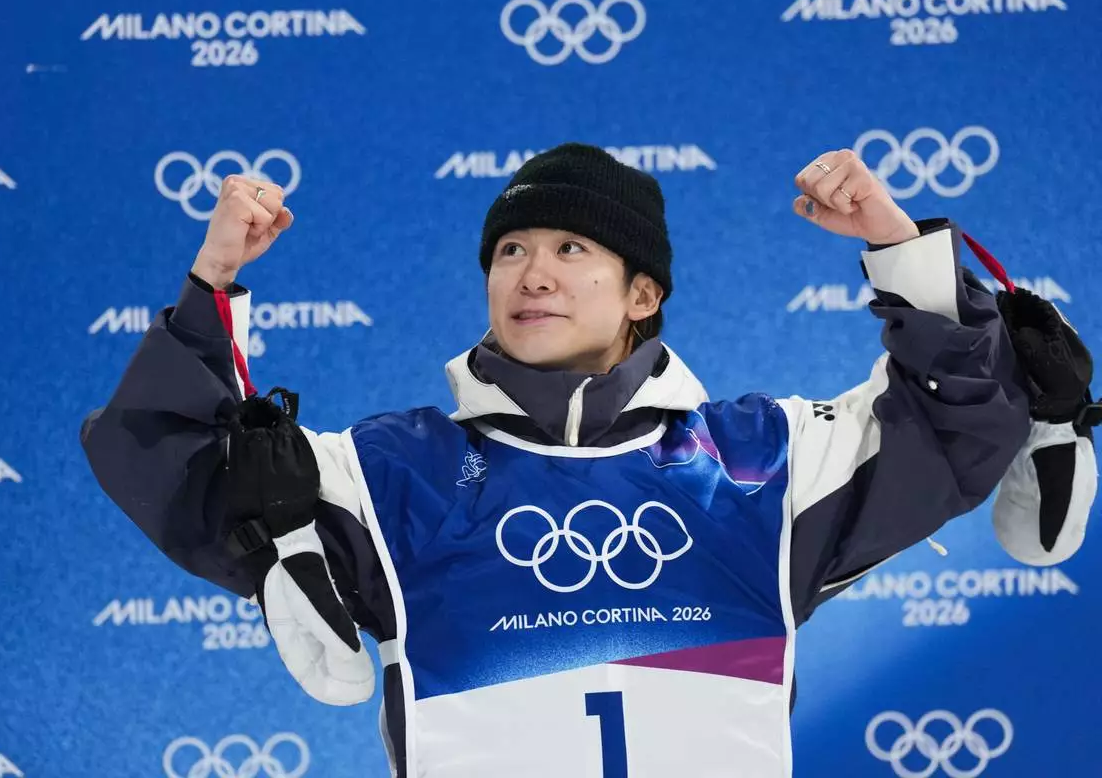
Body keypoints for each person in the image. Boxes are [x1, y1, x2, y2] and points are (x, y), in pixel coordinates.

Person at [82, 143, 1035, 777]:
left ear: (641, 292)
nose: (531, 273)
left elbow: (958, 424)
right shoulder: (389, 475)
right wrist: (214, 282)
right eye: (509, 251)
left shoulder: (764, 465)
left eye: (571, 246)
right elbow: (166, 463)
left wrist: (897, 246)